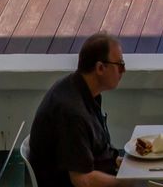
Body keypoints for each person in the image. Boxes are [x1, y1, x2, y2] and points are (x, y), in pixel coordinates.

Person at [28, 32, 126, 187]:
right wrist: (127, 183)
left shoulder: (79, 89)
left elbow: (96, 151)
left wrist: (130, 167)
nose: (123, 71)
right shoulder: (72, 112)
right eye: (120, 65)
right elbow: (82, 180)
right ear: (100, 68)